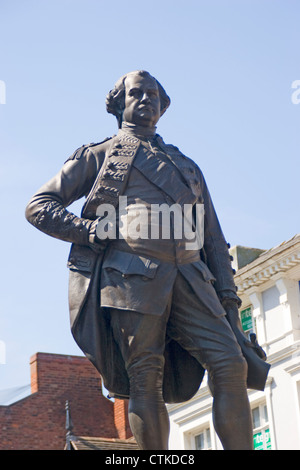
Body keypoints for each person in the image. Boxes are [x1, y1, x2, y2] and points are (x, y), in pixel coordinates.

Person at [26, 70, 269, 450]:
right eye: (136, 93)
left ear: (163, 104)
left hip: (192, 275)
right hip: (131, 276)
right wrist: (89, 232)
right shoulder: (100, 155)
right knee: (145, 377)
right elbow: (40, 206)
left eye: (153, 94)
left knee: (231, 363)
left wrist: (229, 302)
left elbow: (213, 240)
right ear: (120, 103)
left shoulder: (187, 166)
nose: (146, 100)